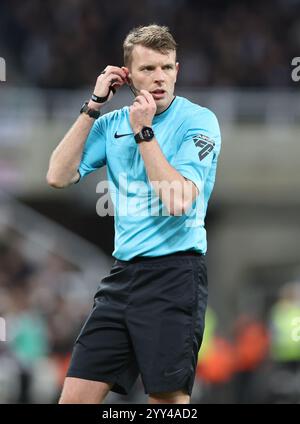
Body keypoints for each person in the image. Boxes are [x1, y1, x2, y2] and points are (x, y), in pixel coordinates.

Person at [47, 24, 221, 404]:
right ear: (127, 77)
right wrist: (93, 106)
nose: (160, 78)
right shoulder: (111, 125)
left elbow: (178, 201)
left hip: (175, 276)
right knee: (74, 397)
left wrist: (144, 133)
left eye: (167, 68)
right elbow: (57, 176)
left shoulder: (199, 121)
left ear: (177, 69)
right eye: (148, 70)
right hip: (122, 277)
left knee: (166, 402)